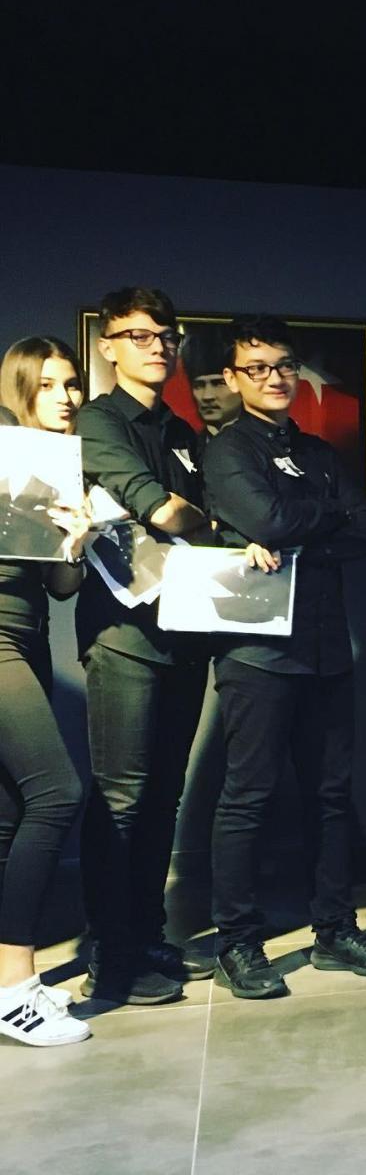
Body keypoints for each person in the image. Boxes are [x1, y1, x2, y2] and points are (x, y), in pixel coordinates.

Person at [203, 316, 366, 998]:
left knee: (330, 797)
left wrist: (302, 526)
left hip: (327, 650)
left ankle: (334, 929)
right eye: (257, 367)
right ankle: (238, 942)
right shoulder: (228, 450)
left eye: (284, 364)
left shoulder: (317, 452)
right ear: (233, 378)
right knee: (248, 799)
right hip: (257, 653)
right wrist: (322, 518)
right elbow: (271, 521)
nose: (275, 377)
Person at [76, 287, 215, 1004]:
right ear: (108, 346)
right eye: (138, 335)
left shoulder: (183, 431)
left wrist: (189, 517)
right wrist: (186, 516)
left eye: (165, 335)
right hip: (123, 636)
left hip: (185, 632)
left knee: (163, 797)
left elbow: (197, 516)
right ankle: (111, 952)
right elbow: (159, 507)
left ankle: (146, 931)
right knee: (122, 799)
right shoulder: (97, 421)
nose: (156, 346)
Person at [0, 338, 90, 1045]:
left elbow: (60, 588)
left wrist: (75, 539)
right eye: (50, 384)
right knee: (58, 793)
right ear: (22, 388)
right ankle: (15, 987)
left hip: (26, 639)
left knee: (10, 816)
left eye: (72, 383)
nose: (66, 397)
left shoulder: (59, 467)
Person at [180, 330, 241, 456]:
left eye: (219, 383)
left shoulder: (266, 444)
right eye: (199, 385)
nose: (207, 396)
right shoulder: (186, 449)